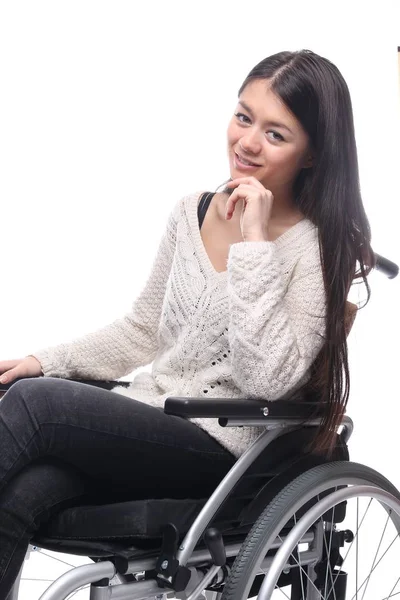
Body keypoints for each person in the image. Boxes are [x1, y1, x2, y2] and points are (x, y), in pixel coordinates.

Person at [0, 48, 374, 598]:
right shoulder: (191, 211)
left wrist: (254, 242)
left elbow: (269, 379)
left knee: (37, 404)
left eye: (276, 133)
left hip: (226, 453)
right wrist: (43, 360)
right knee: (26, 493)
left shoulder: (318, 250)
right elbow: (141, 330)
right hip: (154, 417)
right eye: (244, 117)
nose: (246, 142)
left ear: (313, 153)